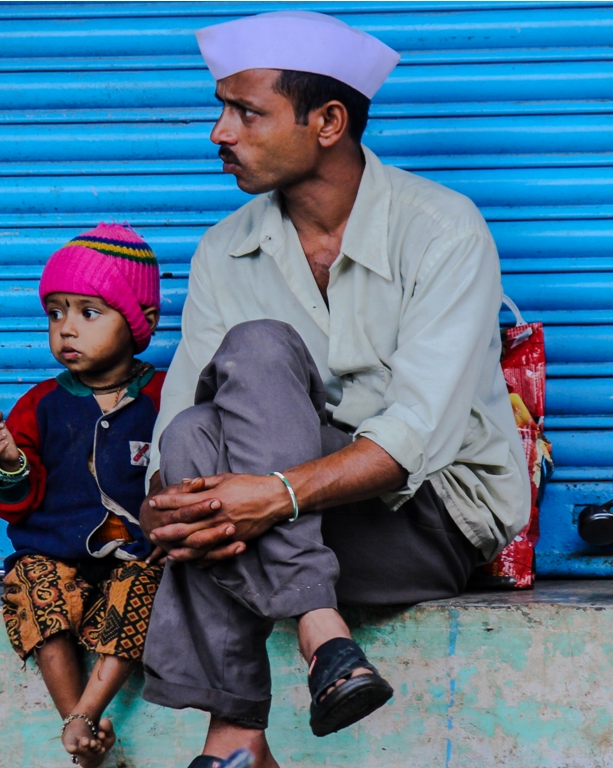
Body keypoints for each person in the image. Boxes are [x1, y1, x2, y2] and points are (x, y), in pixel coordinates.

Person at [136, 12, 531, 768]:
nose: (220, 132)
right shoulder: (226, 249)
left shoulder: (443, 230)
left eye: (245, 111)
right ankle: (325, 639)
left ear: (328, 122)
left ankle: (235, 734)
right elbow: (177, 425)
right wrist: (167, 501)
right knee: (191, 438)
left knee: (247, 361)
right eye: (221, 109)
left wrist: (271, 496)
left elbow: (410, 436)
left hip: (426, 518)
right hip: (308, 534)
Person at [0, 223, 166, 768]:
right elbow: (17, 494)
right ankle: (76, 723)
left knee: (144, 586)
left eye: (88, 313)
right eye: (55, 313)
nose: (66, 330)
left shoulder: (164, 394)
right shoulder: (39, 403)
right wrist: (11, 464)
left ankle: (90, 709)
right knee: (33, 586)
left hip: (133, 555)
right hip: (55, 554)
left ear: (141, 323)